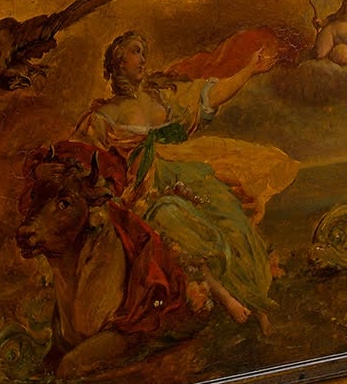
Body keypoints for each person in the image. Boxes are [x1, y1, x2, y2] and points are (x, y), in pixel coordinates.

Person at [79, 31, 295, 325]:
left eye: (143, 52)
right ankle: (227, 297)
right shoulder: (102, 117)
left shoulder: (163, 96)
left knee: (231, 216)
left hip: (187, 174)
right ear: (118, 61)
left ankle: (257, 296)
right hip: (145, 190)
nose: (142, 59)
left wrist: (249, 70)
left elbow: (209, 96)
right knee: (174, 218)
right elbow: (86, 161)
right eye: (135, 51)